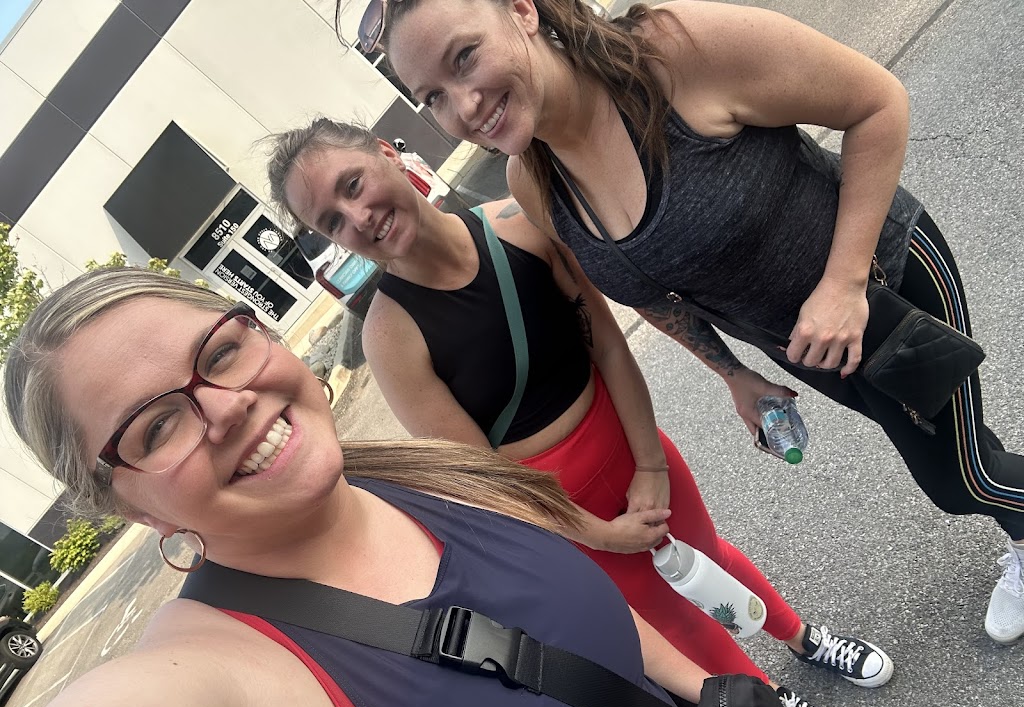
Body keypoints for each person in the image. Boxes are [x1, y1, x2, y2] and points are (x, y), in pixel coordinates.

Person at [370, 0, 1024, 644]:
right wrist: (733, 374)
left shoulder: (670, 53)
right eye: (433, 97)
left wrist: (844, 283)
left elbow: (877, 102)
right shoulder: (535, 182)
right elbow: (649, 292)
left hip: (886, 288)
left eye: (465, 57)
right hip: (808, 344)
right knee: (953, 447)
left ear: (522, 10)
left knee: (959, 477)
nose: (464, 105)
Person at [267, 118, 895, 707]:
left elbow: (609, 347)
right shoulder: (392, 337)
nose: (357, 218)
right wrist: (596, 534)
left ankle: (803, 637)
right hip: (558, 510)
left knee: (708, 559)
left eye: (352, 185)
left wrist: (649, 463)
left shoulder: (518, 225)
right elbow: (480, 479)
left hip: (631, 446)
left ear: (387, 154)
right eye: (331, 222)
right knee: (669, 620)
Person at [1, 267, 735, 707]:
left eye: (221, 353)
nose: (228, 409)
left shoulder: (427, 473)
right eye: (157, 428)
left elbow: (585, 621)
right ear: (129, 506)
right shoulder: (207, 672)